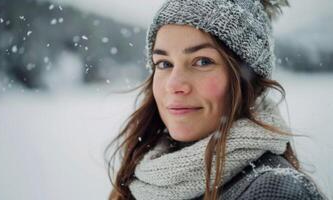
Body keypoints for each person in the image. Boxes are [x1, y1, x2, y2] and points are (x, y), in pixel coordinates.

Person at [105, 0, 327, 199]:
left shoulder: (274, 190)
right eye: (164, 63)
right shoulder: (142, 178)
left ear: (247, 78)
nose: (173, 85)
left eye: (202, 61)